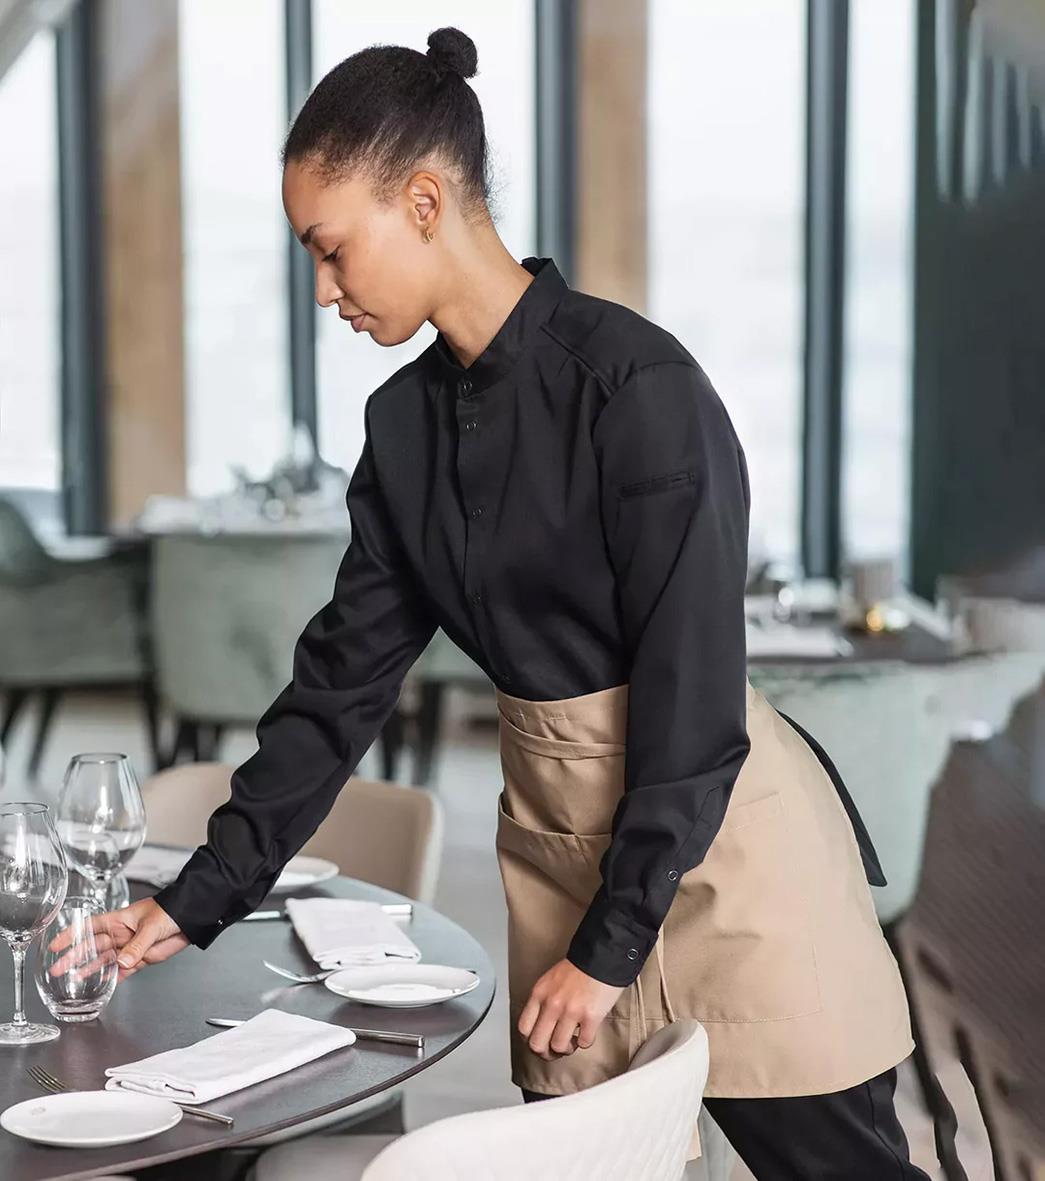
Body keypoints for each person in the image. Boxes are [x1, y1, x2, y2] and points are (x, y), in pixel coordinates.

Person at [96, 27, 930, 1178]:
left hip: (727, 849)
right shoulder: (403, 433)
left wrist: (611, 941)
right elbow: (336, 695)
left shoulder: (640, 392)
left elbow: (692, 707)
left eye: (334, 252)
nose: (327, 291)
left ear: (425, 200)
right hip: (559, 848)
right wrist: (197, 897)